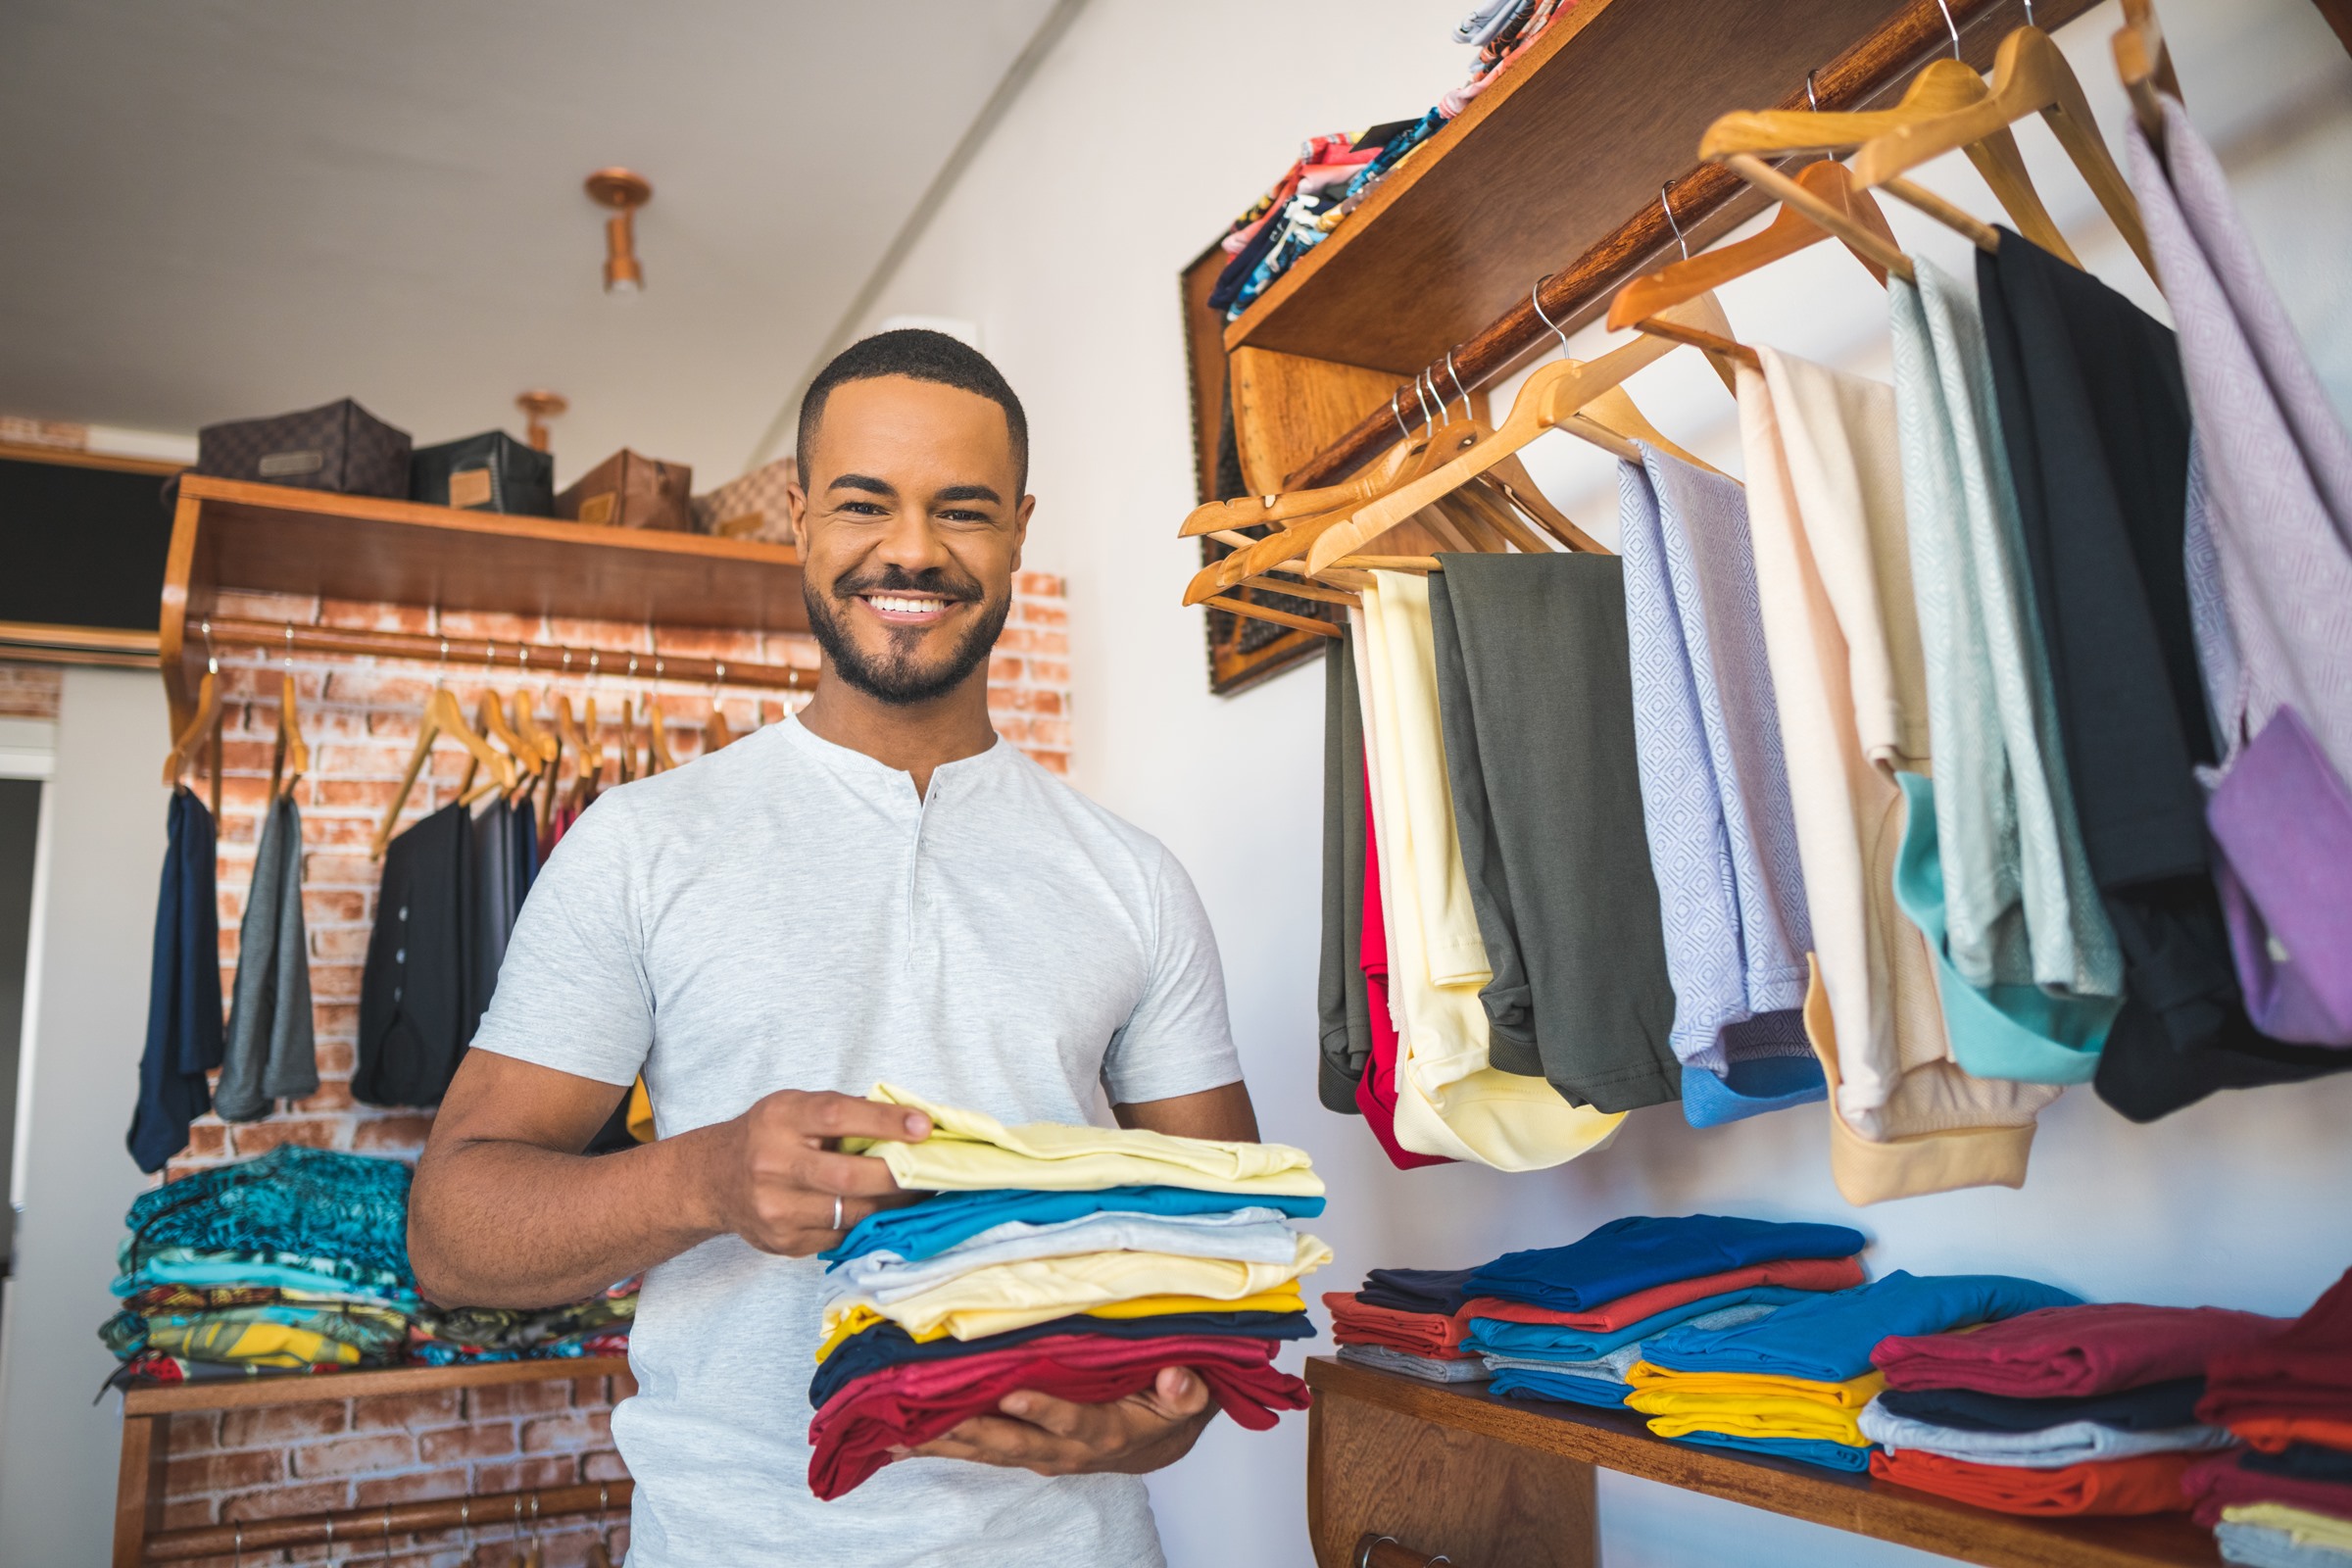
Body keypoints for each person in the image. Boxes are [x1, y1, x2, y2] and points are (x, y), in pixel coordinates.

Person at [410, 329, 1258, 1565]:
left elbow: (1227, 1273)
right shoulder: (641, 844)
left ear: (1019, 530)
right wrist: (701, 1181)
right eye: (867, 501)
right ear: (801, 517)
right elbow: (450, 1228)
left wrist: (1136, 1431)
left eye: (960, 509)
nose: (911, 548)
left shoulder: (1133, 881)